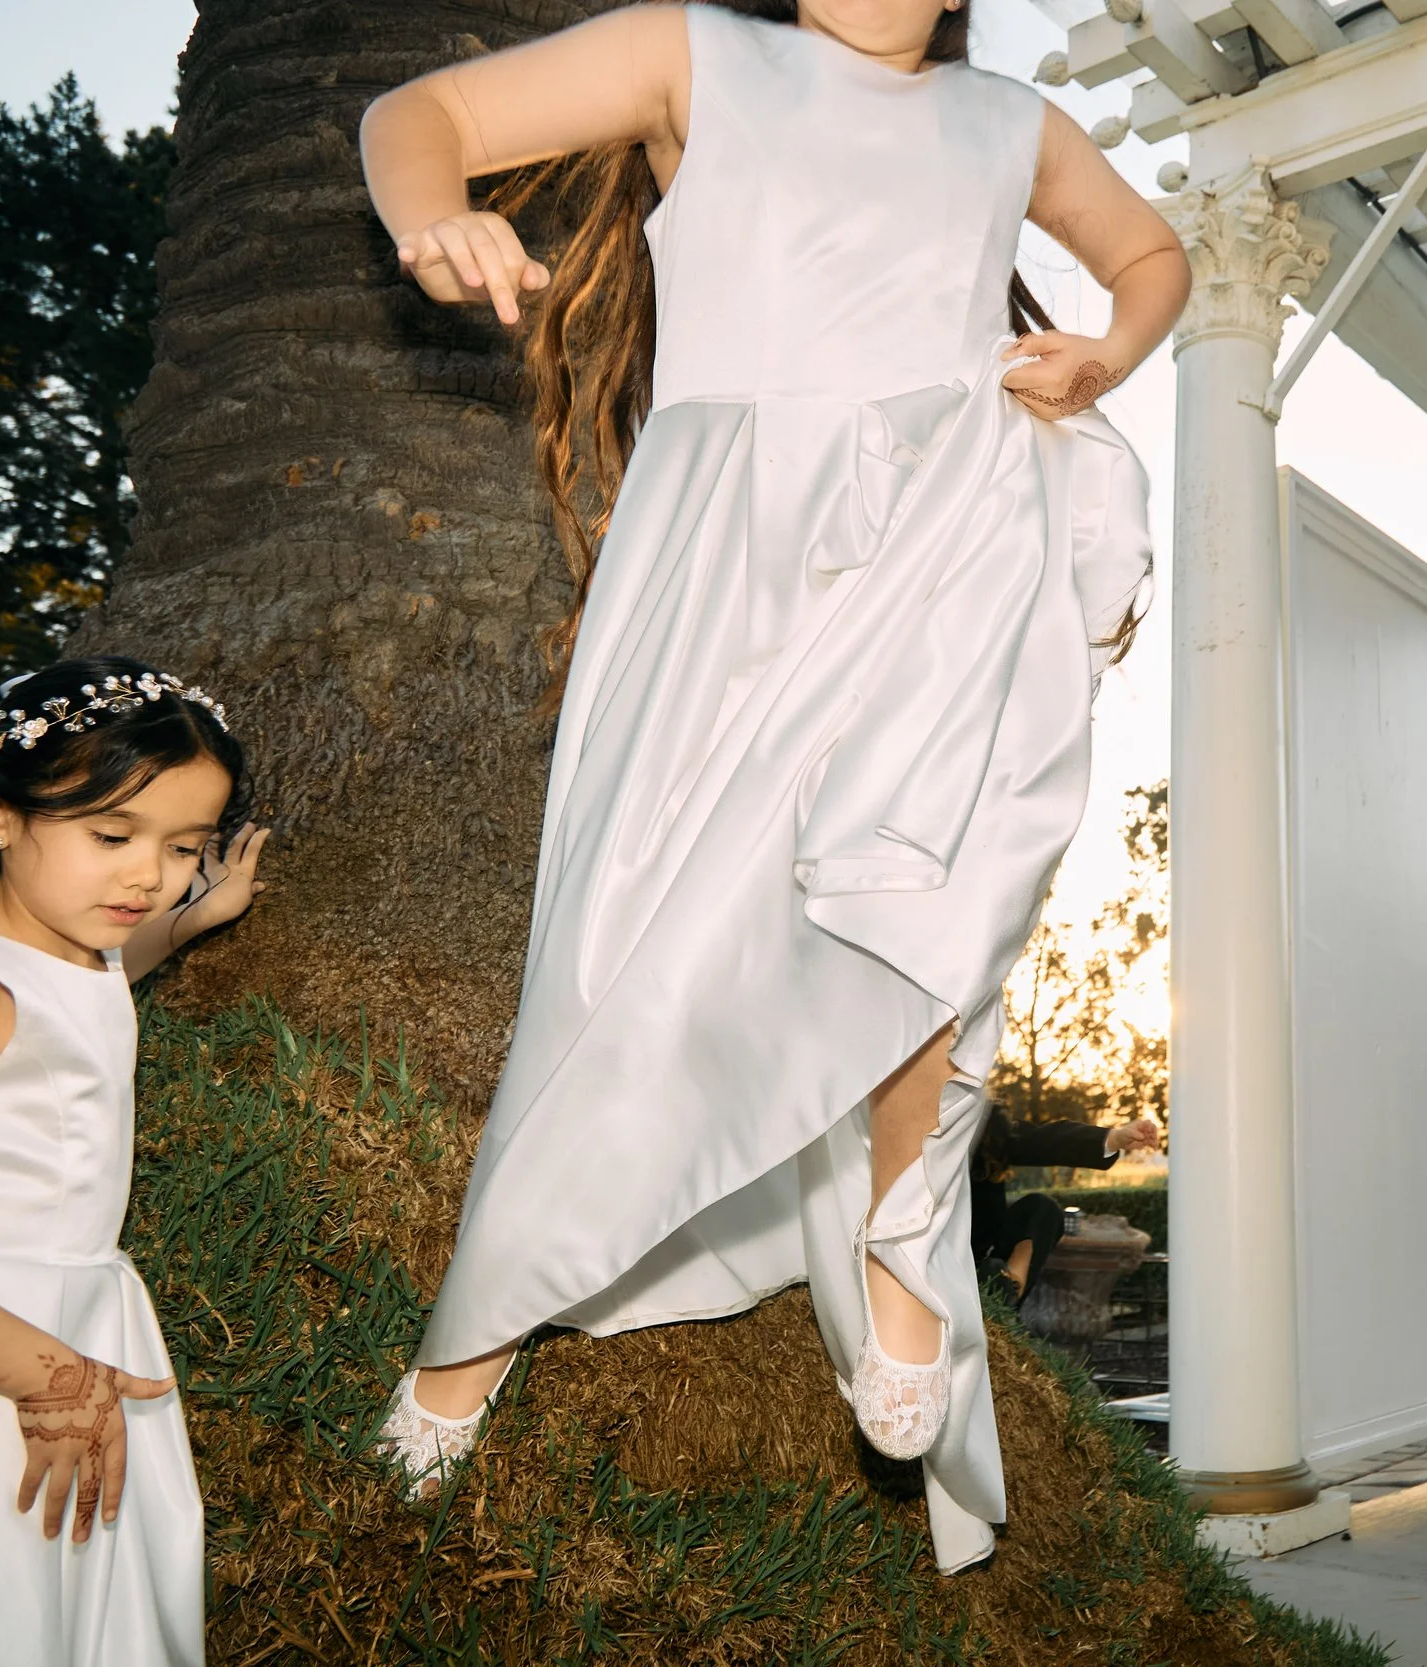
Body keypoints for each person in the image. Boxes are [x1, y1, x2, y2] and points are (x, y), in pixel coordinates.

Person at [355, 0, 1183, 1573]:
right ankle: (479, 1324)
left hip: (951, 533)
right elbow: (420, 117)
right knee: (627, 935)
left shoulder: (1008, 124)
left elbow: (1155, 258)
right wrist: (432, 219)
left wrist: (1105, 355)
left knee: (932, 879)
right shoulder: (692, 53)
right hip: (726, 552)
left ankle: (896, 1251)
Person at [0, 658, 267, 1667]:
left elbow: (90, 991)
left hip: (85, 1325)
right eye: (112, 835)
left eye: (182, 845)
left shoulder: (80, 951)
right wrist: (42, 1373)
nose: (147, 876)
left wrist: (198, 913)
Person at [969, 1114, 1161, 1302]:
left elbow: (1045, 1139)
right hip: (945, 1266)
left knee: (1042, 1209)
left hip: (980, 1262)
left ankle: (1004, 1297)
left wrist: (1114, 1138)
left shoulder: (980, 1123)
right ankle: (991, 1288)